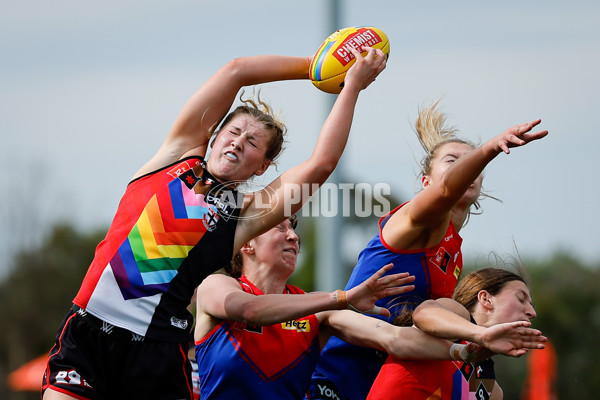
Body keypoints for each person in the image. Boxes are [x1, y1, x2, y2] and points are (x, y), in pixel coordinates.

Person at [42, 45, 387, 400]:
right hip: (87, 330)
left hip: (154, 351)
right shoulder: (174, 157)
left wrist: (351, 88)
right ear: (215, 136)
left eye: (252, 142)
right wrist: (316, 67)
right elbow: (236, 71)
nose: (238, 142)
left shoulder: (245, 216)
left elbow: (321, 164)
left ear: (262, 167)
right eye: (233, 131)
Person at [308, 100, 549, 400]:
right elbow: (446, 190)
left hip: (378, 382)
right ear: (426, 182)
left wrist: (481, 356)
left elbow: (436, 334)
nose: (464, 166)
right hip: (334, 377)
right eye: (452, 160)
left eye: (469, 160)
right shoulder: (409, 221)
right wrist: (489, 148)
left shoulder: (453, 255)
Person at [193, 217, 545, 399]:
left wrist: (473, 345)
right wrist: (343, 298)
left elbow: (396, 339)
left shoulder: (317, 313)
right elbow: (250, 310)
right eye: (280, 227)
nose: (293, 236)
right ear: (246, 245)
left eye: (294, 229)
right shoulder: (218, 287)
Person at [367, 266, 544, 399]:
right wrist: (480, 334)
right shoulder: (457, 315)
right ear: (486, 299)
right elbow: (423, 314)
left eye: (532, 305)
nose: (532, 312)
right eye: (521, 299)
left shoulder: (491, 390)